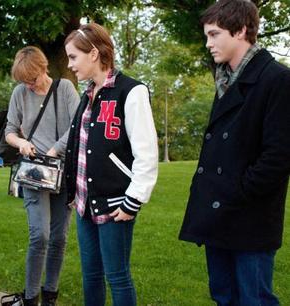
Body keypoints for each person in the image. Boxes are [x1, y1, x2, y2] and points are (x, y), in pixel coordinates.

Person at [179, 1, 290, 305]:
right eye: (206, 36)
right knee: (224, 296)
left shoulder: (277, 80)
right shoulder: (225, 77)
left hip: (249, 216)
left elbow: (279, 156)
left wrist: (239, 191)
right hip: (219, 214)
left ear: (241, 30)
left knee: (254, 299)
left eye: (214, 35)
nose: (208, 44)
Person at [64, 23, 158, 306]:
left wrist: (134, 200)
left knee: (117, 276)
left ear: (93, 53)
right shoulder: (88, 95)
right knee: (90, 275)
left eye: (73, 57)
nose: (70, 65)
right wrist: (74, 193)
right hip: (84, 204)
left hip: (116, 203)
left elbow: (147, 152)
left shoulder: (131, 92)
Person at [5, 46, 80, 306]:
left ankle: (50, 295)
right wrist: (21, 144)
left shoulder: (65, 89)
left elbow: (79, 124)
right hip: (35, 173)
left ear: (44, 68)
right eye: (24, 81)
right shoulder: (19, 93)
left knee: (59, 237)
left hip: (64, 172)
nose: (29, 85)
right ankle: (30, 297)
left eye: (32, 79)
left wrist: (55, 149)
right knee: (40, 236)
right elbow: (10, 131)